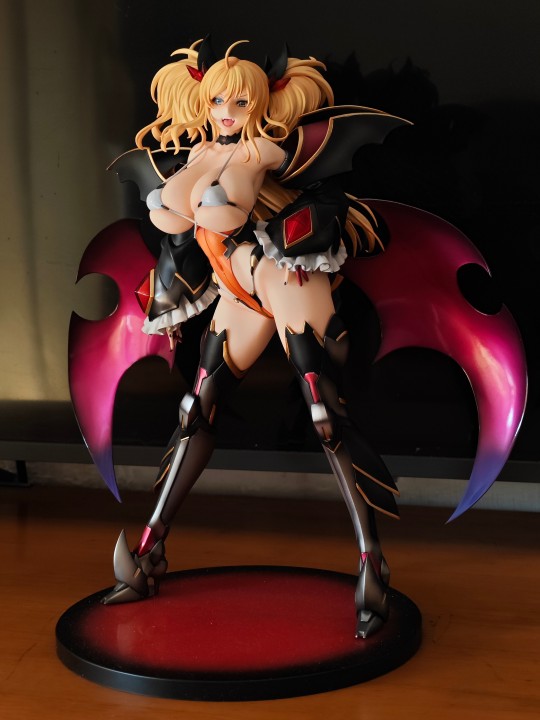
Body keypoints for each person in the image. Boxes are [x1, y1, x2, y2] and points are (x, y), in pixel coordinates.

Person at [101, 38, 414, 638]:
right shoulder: (198, 153)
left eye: (239, 101)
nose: (226, 111)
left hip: (285, 274)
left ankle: (372, 563)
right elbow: (178, 226)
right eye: (216, 100)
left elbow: (228, 206)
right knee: (196, 409)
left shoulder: (265, 150)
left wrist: (209, 189)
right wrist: (169, 285)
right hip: (237, 285)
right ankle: (148, 549)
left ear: (262, 103)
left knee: (323, 412)